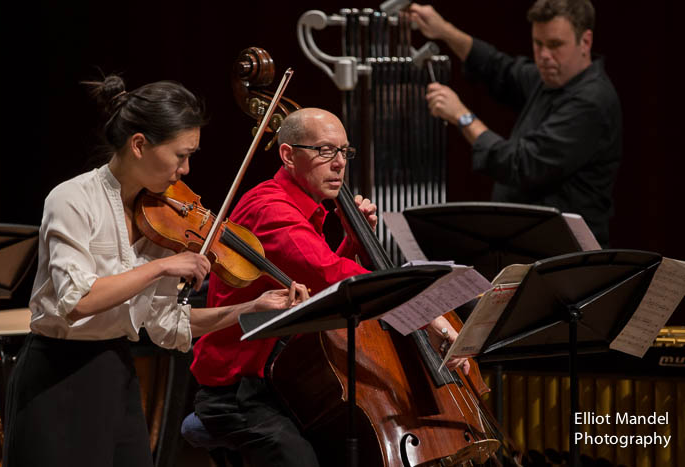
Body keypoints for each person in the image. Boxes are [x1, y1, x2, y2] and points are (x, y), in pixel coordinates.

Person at [2, 74, 309, 467]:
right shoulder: (71, 200)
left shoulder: (161, 220)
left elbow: (167, 324)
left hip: (117, 372)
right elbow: (77, 301)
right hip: (58, 377)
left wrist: (248, 309)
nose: (185, 170)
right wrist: (162, 266)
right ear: (140, 145)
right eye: (181, 155)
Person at [182, 108, 468, 466]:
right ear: (288, 155)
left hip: (283, 383)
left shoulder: (304, 208)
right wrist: (434, 319)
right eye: (324, 151)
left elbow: (318, 286)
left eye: (344, 152)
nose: (338, 164)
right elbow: (333, 275)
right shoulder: (270, 209)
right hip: (239, 391)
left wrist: (352, 239)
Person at [410, 0, 621, 246]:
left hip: (568, 255)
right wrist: (443, 30)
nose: (543, 56)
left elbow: (522, 165)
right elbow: (498, 67)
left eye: (555, 45)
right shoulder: (552, 79)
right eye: (538, 44)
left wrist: (462, 116)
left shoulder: (591, 102)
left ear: (585, 41)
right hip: (536, 246)